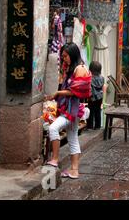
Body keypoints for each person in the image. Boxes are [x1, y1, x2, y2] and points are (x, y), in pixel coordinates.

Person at [45, 43, 92, 179]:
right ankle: (74, 170)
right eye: (63, 56)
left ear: (73, 54)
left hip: (72, 111)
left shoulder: (80, 68)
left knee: (53, 128)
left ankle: (54, 159)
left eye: (65, 56)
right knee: (72, 138)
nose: (64, 59)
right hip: (71, 110)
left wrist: (58, 93)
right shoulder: (73, 69)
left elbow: (77, 91)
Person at [87, 61, 107, 130]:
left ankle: (90, 126)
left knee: (91, 112)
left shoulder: (90, 78)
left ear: (91, 69)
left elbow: (89, 88)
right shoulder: (102, 78)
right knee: (98, 111)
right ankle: (97, 126)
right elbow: (102, 86)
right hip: (100, 97)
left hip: (92, 97)